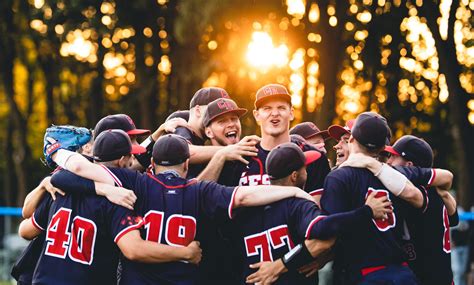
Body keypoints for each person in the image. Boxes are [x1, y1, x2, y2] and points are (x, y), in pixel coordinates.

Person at [47, 133, 316, 284]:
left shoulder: (136, 183)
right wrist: (292, 190)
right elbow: (245, 196)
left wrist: (54, 149)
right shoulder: (200, 191)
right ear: (187, 165)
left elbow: (76, 168)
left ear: (152, 163)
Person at [17, 129, 203, 284]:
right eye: (131, 158)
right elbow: (133, 249)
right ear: (122, 160)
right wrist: (185, 253)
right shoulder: (117, 198)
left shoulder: (58, 188)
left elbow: (25, 231)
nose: (132, 163)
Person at [228, 143, 392, 285]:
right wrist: (367, 211)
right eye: (304, 167)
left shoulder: (245, 209)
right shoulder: (299, 205)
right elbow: (324, 235)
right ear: (294, 176)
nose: (307, 170)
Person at [200, 84, 330, 195]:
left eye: (281, 108)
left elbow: (316, 209)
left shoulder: (314, 157)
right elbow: (201, 197)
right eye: (267, 108)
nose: (274, 113)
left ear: (291, 113)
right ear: (257, 115)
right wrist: (220, 155)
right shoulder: (240, 156)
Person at [383, 135, 458, 285]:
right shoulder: (436, 191)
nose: (389, 161)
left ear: (409, 165)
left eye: (394, 156)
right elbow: (454, 219)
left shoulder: (422, 192)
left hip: (428, 279)